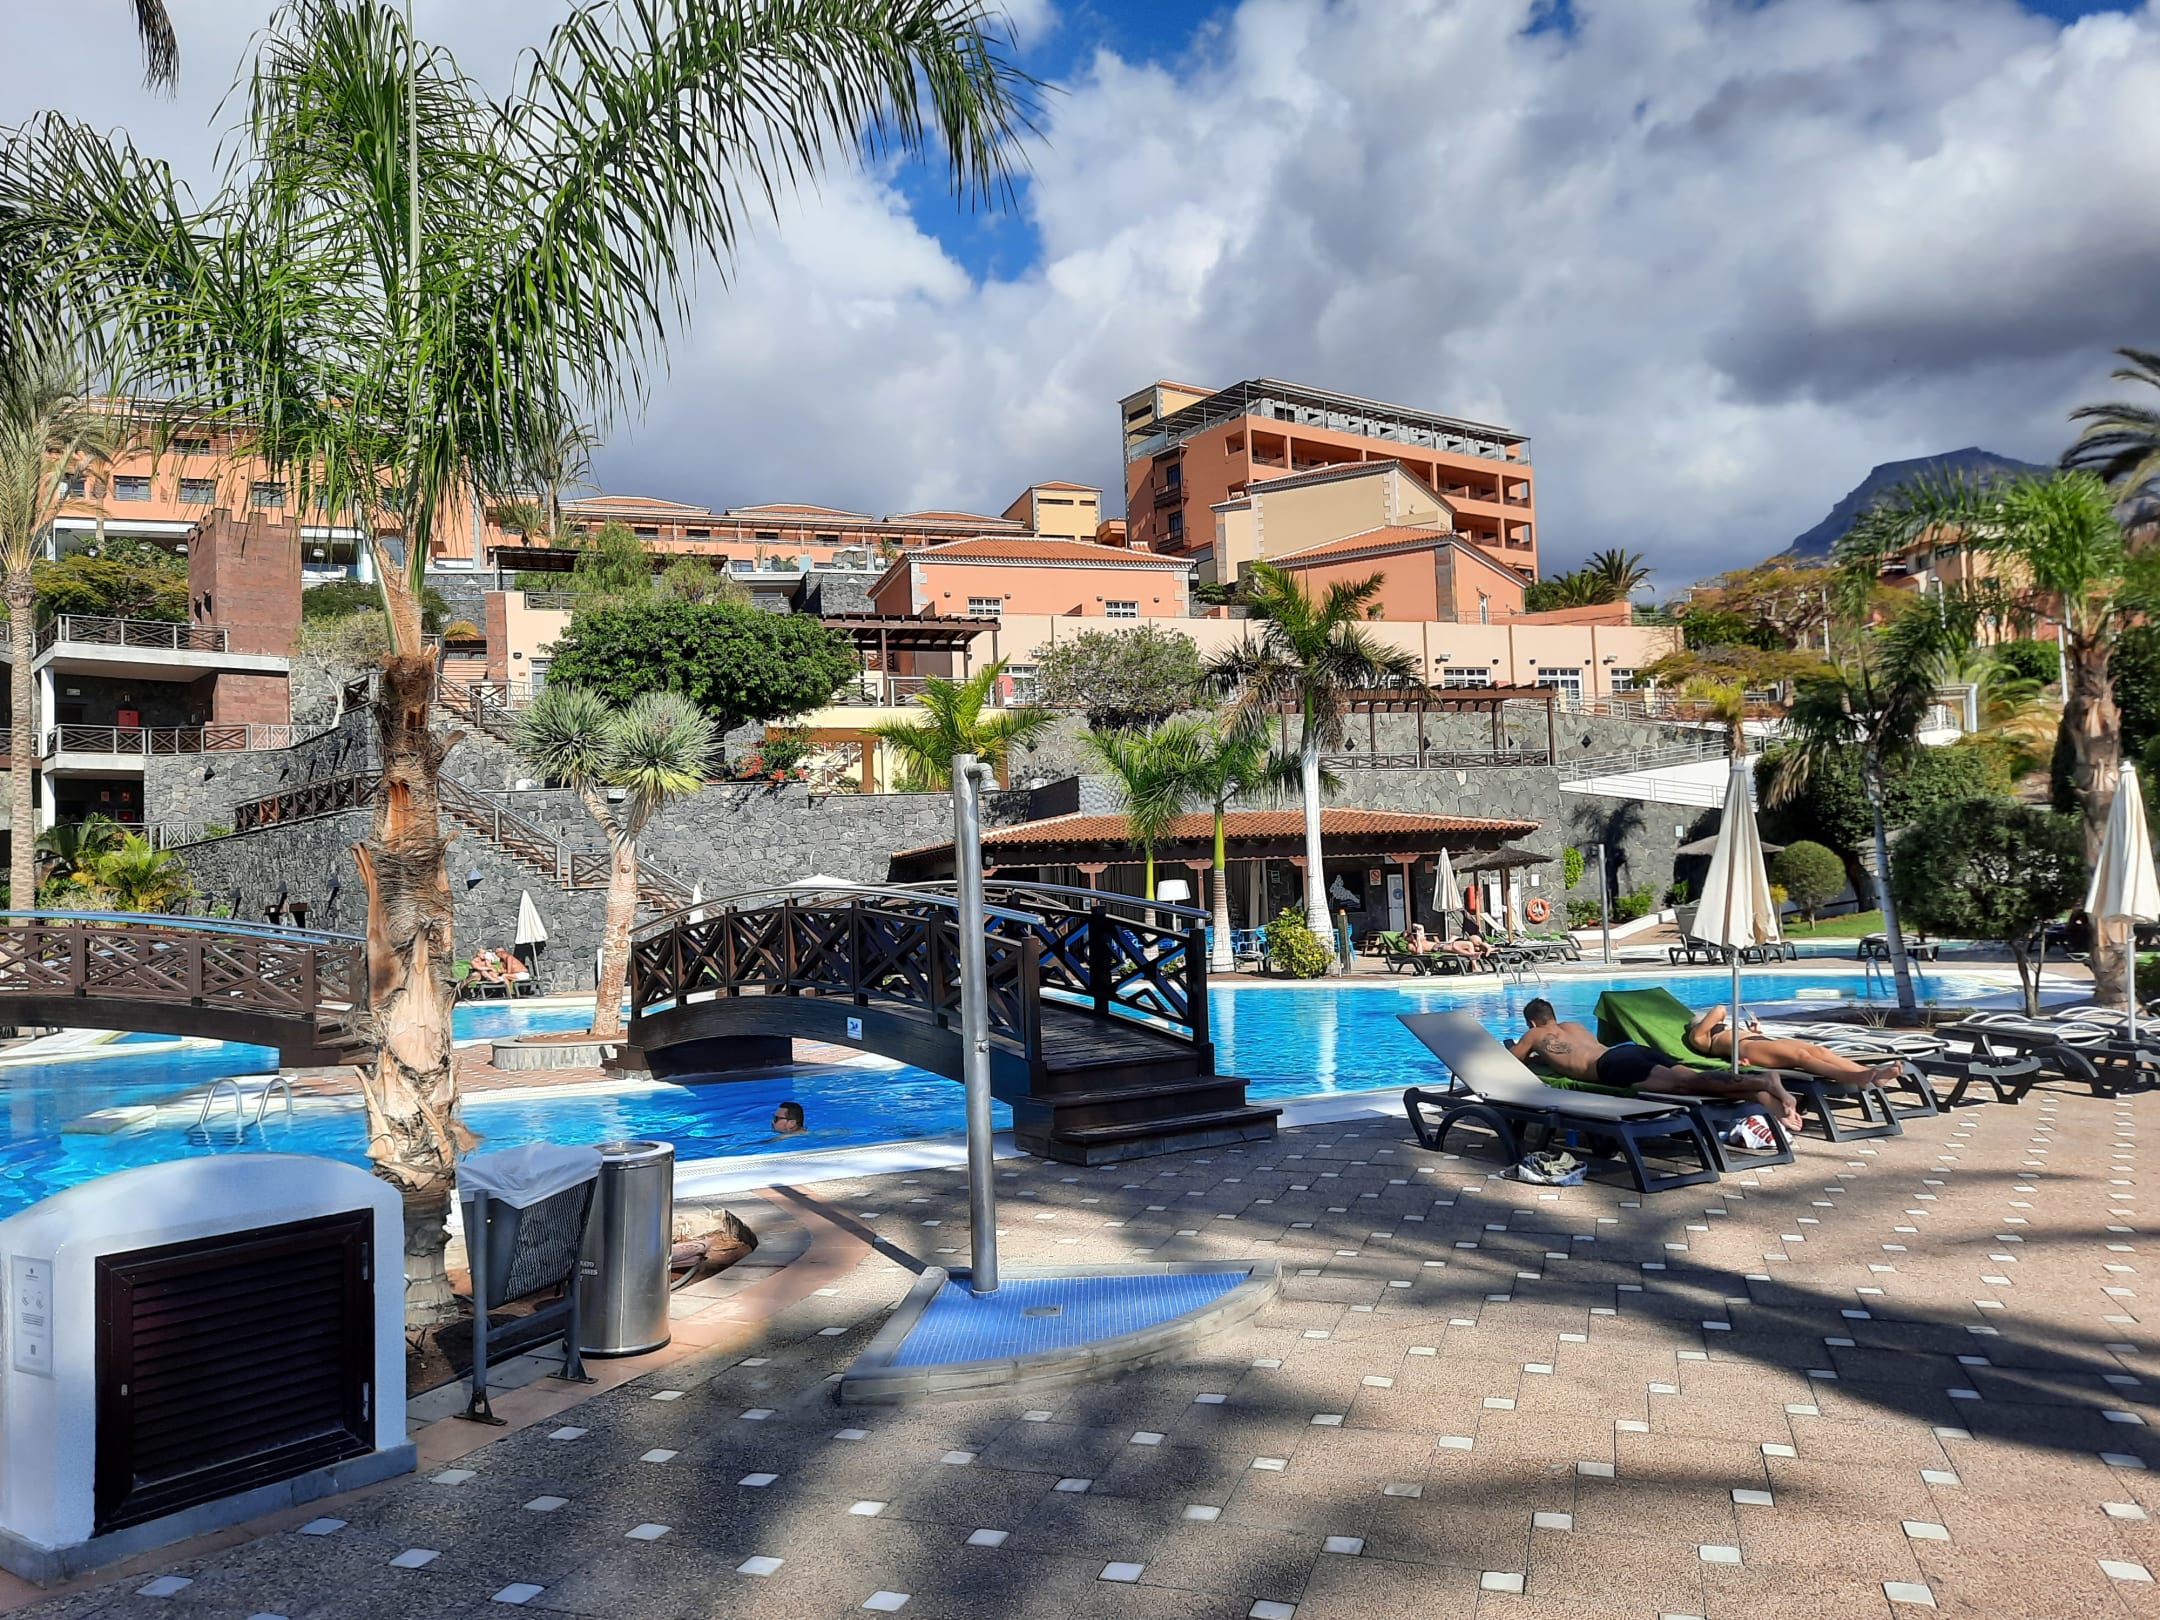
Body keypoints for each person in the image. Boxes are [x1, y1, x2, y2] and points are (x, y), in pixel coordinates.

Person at [1510, 998, 1802, 1129]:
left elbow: (1512, 1061)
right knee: (1691, 1083)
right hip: (1630, 1052)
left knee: (1688, 1084)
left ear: (1532, 1022)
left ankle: (1764, 1080)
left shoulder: (1534, 1034)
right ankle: (1761, 1095)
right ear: (1553, 1015)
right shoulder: (1574, 1026)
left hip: (1612, 1067)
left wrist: (1525, 1051)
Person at [1683, 1003, 1903, 1086]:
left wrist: (1755, 1031)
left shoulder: (1721, 1032)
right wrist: (1720, 1021)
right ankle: (1852, 1077)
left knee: (1818, 1050)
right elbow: (1719, 1009)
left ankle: (1871, 1074)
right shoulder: (1699, 1036)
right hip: (1748, 1048)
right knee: (1802, 1058)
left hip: (1758, 1042)